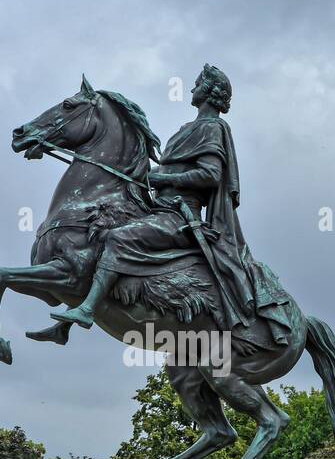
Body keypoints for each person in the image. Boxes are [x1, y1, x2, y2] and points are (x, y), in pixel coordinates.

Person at [51, 64, 291, 343]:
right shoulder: (186, 129)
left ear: (210, 92)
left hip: (179, 214)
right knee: (97, 233)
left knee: (118, 237)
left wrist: (164, 177)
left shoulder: (212, 128)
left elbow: (210, 175)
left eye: (198, 84)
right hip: (160, 208)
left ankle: (88, 310)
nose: (192, 88)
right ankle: (66, 319)